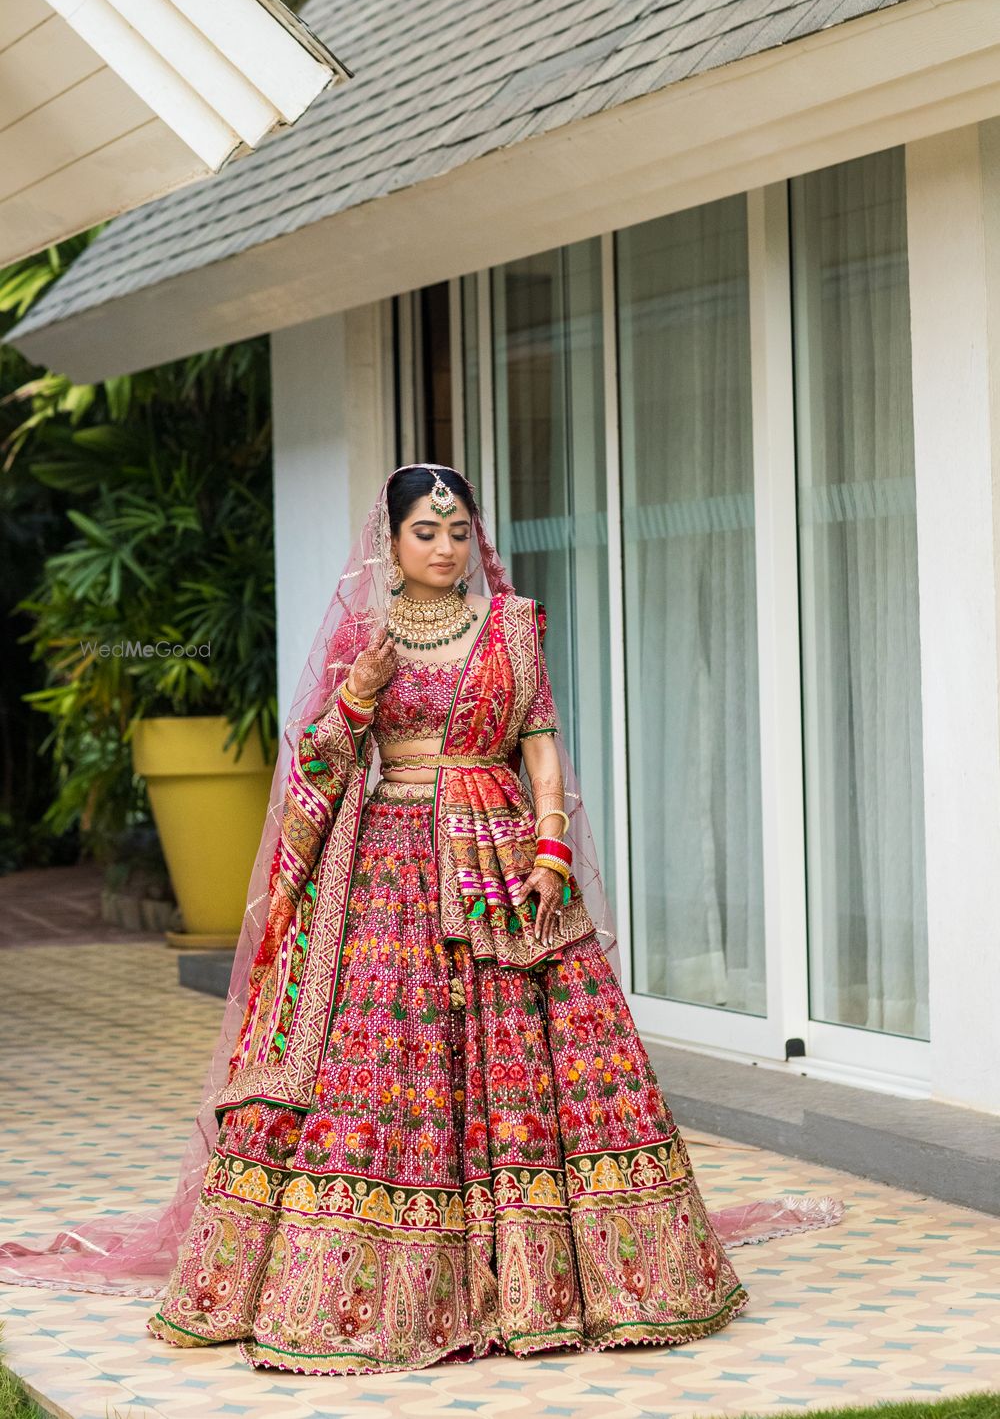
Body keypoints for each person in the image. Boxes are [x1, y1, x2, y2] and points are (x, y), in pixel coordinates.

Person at [0, 463, 843, 1375]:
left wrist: (553, 844)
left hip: (501, 865)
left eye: (457, 532)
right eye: (425, 533)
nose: (445, 549)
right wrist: (358, 693)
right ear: (390, 544)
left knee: (535, 1064)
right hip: (388, 876)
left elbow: (542, 740)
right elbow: (320, 762)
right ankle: (370, 1290)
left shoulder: (513, 628)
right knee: (383, 1068)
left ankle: (570, 1280)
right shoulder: (365, 637)